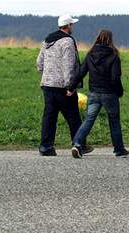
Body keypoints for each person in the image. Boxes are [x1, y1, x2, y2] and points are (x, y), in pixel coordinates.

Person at [36, 14, 93, 156]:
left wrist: (47, 75)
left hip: (47, 85)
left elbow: (39, 63)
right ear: (67, 26)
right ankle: (79, 144)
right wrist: (70, 86)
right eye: (72, 24)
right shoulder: (67, 41)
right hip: (62, 87)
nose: (72, 26)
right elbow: (69, 66)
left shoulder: (47, 40)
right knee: (73, 116)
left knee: (49, 117)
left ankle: (45, 147)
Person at [68, 29, 129, 158]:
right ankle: (119, 149)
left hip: (94, 93)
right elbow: (115, 78)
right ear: (110, 39)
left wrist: (71, 87)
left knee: (89, 120)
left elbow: (81, 72)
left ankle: (77, 143)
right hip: (110, 94)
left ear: (98, 38)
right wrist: (119, 92)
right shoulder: (114, 55)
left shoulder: (91, 54)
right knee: (114, 121)